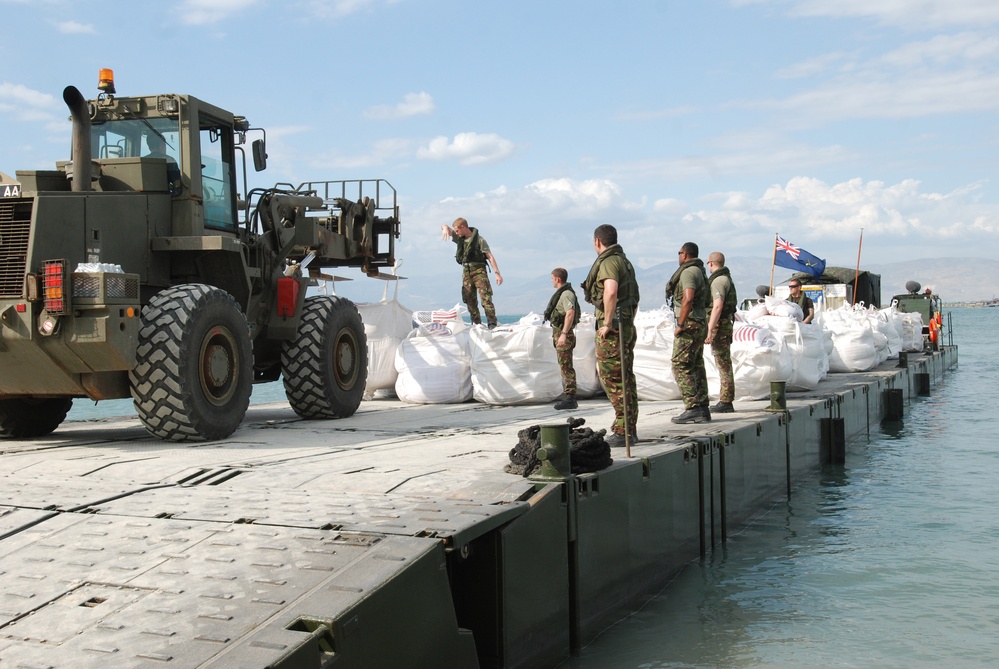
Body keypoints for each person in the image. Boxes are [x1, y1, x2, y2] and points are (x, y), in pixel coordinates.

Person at [582, 224, 639, 446]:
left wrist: (607, 323)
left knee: (613, 378)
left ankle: (623, 430)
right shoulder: (625, 261)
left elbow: (611, 290)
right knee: (625, 378)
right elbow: (634, 297)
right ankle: (629, 429)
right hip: (624, 325)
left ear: (597, 241)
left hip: (613, 328)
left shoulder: (608, 262)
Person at [667, 242, 710, 424]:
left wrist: (681, 323)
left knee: (680, 363)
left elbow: (688, 297)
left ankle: (692, 407)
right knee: (696, 364)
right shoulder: (700, 270)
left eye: (679, 253)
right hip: (700, 322)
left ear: (684, 254)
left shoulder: (688, 272)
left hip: (690, 323)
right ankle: (702, 408)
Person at [441, 217, 503, 328]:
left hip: (479, 271)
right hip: (466, 272)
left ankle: (492, 322)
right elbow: (445, 227)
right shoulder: (460, 238)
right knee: (469, 299)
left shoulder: (479, 240)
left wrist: (497, 273)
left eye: (457, 230)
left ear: (463, 227)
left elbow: (490, 256)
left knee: (486, 298)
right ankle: (476, 323)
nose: (455, 233)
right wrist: (445, 228)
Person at [704, 251, 737, 414]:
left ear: (710, 263)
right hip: (725, 324)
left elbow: (717, 306)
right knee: (724, 362)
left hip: (720, 326)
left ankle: (726, 400)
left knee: (723, 364)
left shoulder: (718, 281)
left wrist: (709, 328)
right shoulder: (726, 278)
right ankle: (726, 399)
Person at [544, 268, 579, 410]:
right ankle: (569, 396)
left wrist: (564, 333)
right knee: (564, 366)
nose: (551, 281)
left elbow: (570, 313)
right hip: (560, 333)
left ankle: (570, 398)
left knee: (566, 367)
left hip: (564, 334)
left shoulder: (566, 294)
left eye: (552, 278)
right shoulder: (563, 294)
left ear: (557, 279)